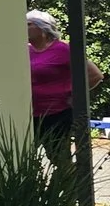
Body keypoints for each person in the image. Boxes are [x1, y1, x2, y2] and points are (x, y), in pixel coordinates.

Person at [27, 9, 103, 159]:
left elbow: (95, 75)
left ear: (43, 27)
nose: (23, 28)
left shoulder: (63, 49)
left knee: (59, 158)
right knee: (24, 157)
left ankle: (69, 182)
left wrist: (74, 95)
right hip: (28, 113)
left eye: (29, 24)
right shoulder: (24, 50)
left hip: (56, 114)